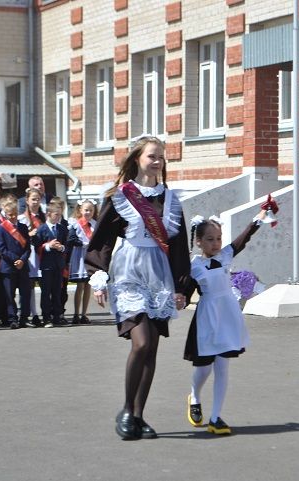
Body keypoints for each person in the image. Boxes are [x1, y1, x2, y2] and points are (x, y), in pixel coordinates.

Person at [86, 135, 190, 440]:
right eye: (151, 156)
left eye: (161, 157)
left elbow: (179, 246)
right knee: (141, 342)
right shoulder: (121, 195)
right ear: (137, 159)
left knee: (153, 348)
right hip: (129, 270)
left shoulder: (170, 199)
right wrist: (98, 276)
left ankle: (137, 415)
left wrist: (182, 286)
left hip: (159, 274)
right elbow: (103, 239)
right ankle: (127, 409)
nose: (157, 162)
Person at [184, 209, 267, 435]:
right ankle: (194, 395)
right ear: (199, 242)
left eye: (219, 238)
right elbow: (183, 293)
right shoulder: (194, 266)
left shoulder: (226, 256)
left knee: (222, 366)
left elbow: (244, 238)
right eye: (210, 239)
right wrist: (176, 299)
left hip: (228, 316)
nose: (216, 243)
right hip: (207, 319)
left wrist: (259, 217)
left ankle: (215, 417)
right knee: (203, 368)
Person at [0, 201, 31, 329]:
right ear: (6, 215)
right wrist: (16, 260)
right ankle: (12, 319)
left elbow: (28, 248)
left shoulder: (23, 227)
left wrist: (23, 260)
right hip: (8, 267)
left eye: (15, 214)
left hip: (23, 266)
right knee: (10, 295)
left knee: (25, 294)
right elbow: (1, 249)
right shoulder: (0, 228)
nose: (13, 217)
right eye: (10, 215)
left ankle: (24, 318)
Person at [34, 203, 68, 327]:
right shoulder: (42, 229)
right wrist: (48, 246)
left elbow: (66, 245)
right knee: (46, 292)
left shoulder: (62, 229)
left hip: (58, 265)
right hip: (46, 266)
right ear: (48, 214)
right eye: (56, 214)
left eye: (60, 214)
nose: (58, 217)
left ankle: (57, 316)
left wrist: (61, 247)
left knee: (57, 291)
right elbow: (37, 246)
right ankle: (46, 317)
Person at [18, 187, 46, 326]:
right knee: (29, 286)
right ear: (27, 201)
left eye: (37, 199)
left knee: (43, 286)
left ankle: (43, 313)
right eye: (33, 199)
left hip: (42, 254)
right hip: (29, 255)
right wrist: (29, 234)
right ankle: (31, 313)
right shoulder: (22, 218)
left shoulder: (44, 217)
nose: (35, 202)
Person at [67, 199, 97, 324]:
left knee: (88, 285)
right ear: (80, 210)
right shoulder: (75, 224)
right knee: (80, 285)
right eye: (86, 210)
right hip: (79, 256)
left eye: (90, 210)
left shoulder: (95, 224)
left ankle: (84, 314)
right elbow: (71, 239)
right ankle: (76, 314)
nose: (88, 212)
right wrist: (83, 243)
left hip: (90, 256)